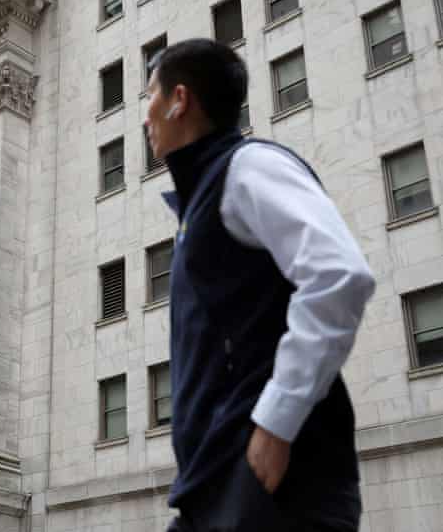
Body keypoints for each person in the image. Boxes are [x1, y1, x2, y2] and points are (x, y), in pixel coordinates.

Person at [143, 39, 376, 531]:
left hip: (268, 477)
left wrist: (276, 422)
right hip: (213, 480)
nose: (145, 116)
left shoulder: (249, 167)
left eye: (150, 97)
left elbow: (338, 276)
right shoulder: (200, 199)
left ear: (179, 99)